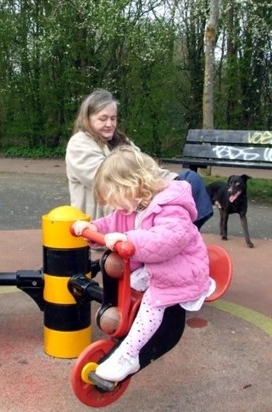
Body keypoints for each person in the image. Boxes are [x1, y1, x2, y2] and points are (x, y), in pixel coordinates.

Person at [72, 146, 213, 382]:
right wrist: (94, 228)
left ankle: (130, 354)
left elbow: (168, 240)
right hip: (157, 266)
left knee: (153, 303)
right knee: (127, 285)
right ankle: (126, 327)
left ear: (132, 185)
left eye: (115, 197)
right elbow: (113, 221)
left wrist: (129, 239)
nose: (115, 206)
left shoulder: (171, 206)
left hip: (183, 269)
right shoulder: (133, 204)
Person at [66, 89, 213, 227]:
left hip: (136, 199)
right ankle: (179, 235)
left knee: (190, 181)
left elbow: (147, 166)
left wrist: (172, 182)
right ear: (88, 119)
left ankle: (184, 234)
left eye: (113, 118)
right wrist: (152, 186)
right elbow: (108, 180)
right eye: (103, 119)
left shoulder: (120, 140)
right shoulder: (79, 143)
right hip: (111, 214)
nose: (109, 124)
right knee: (171, 201)